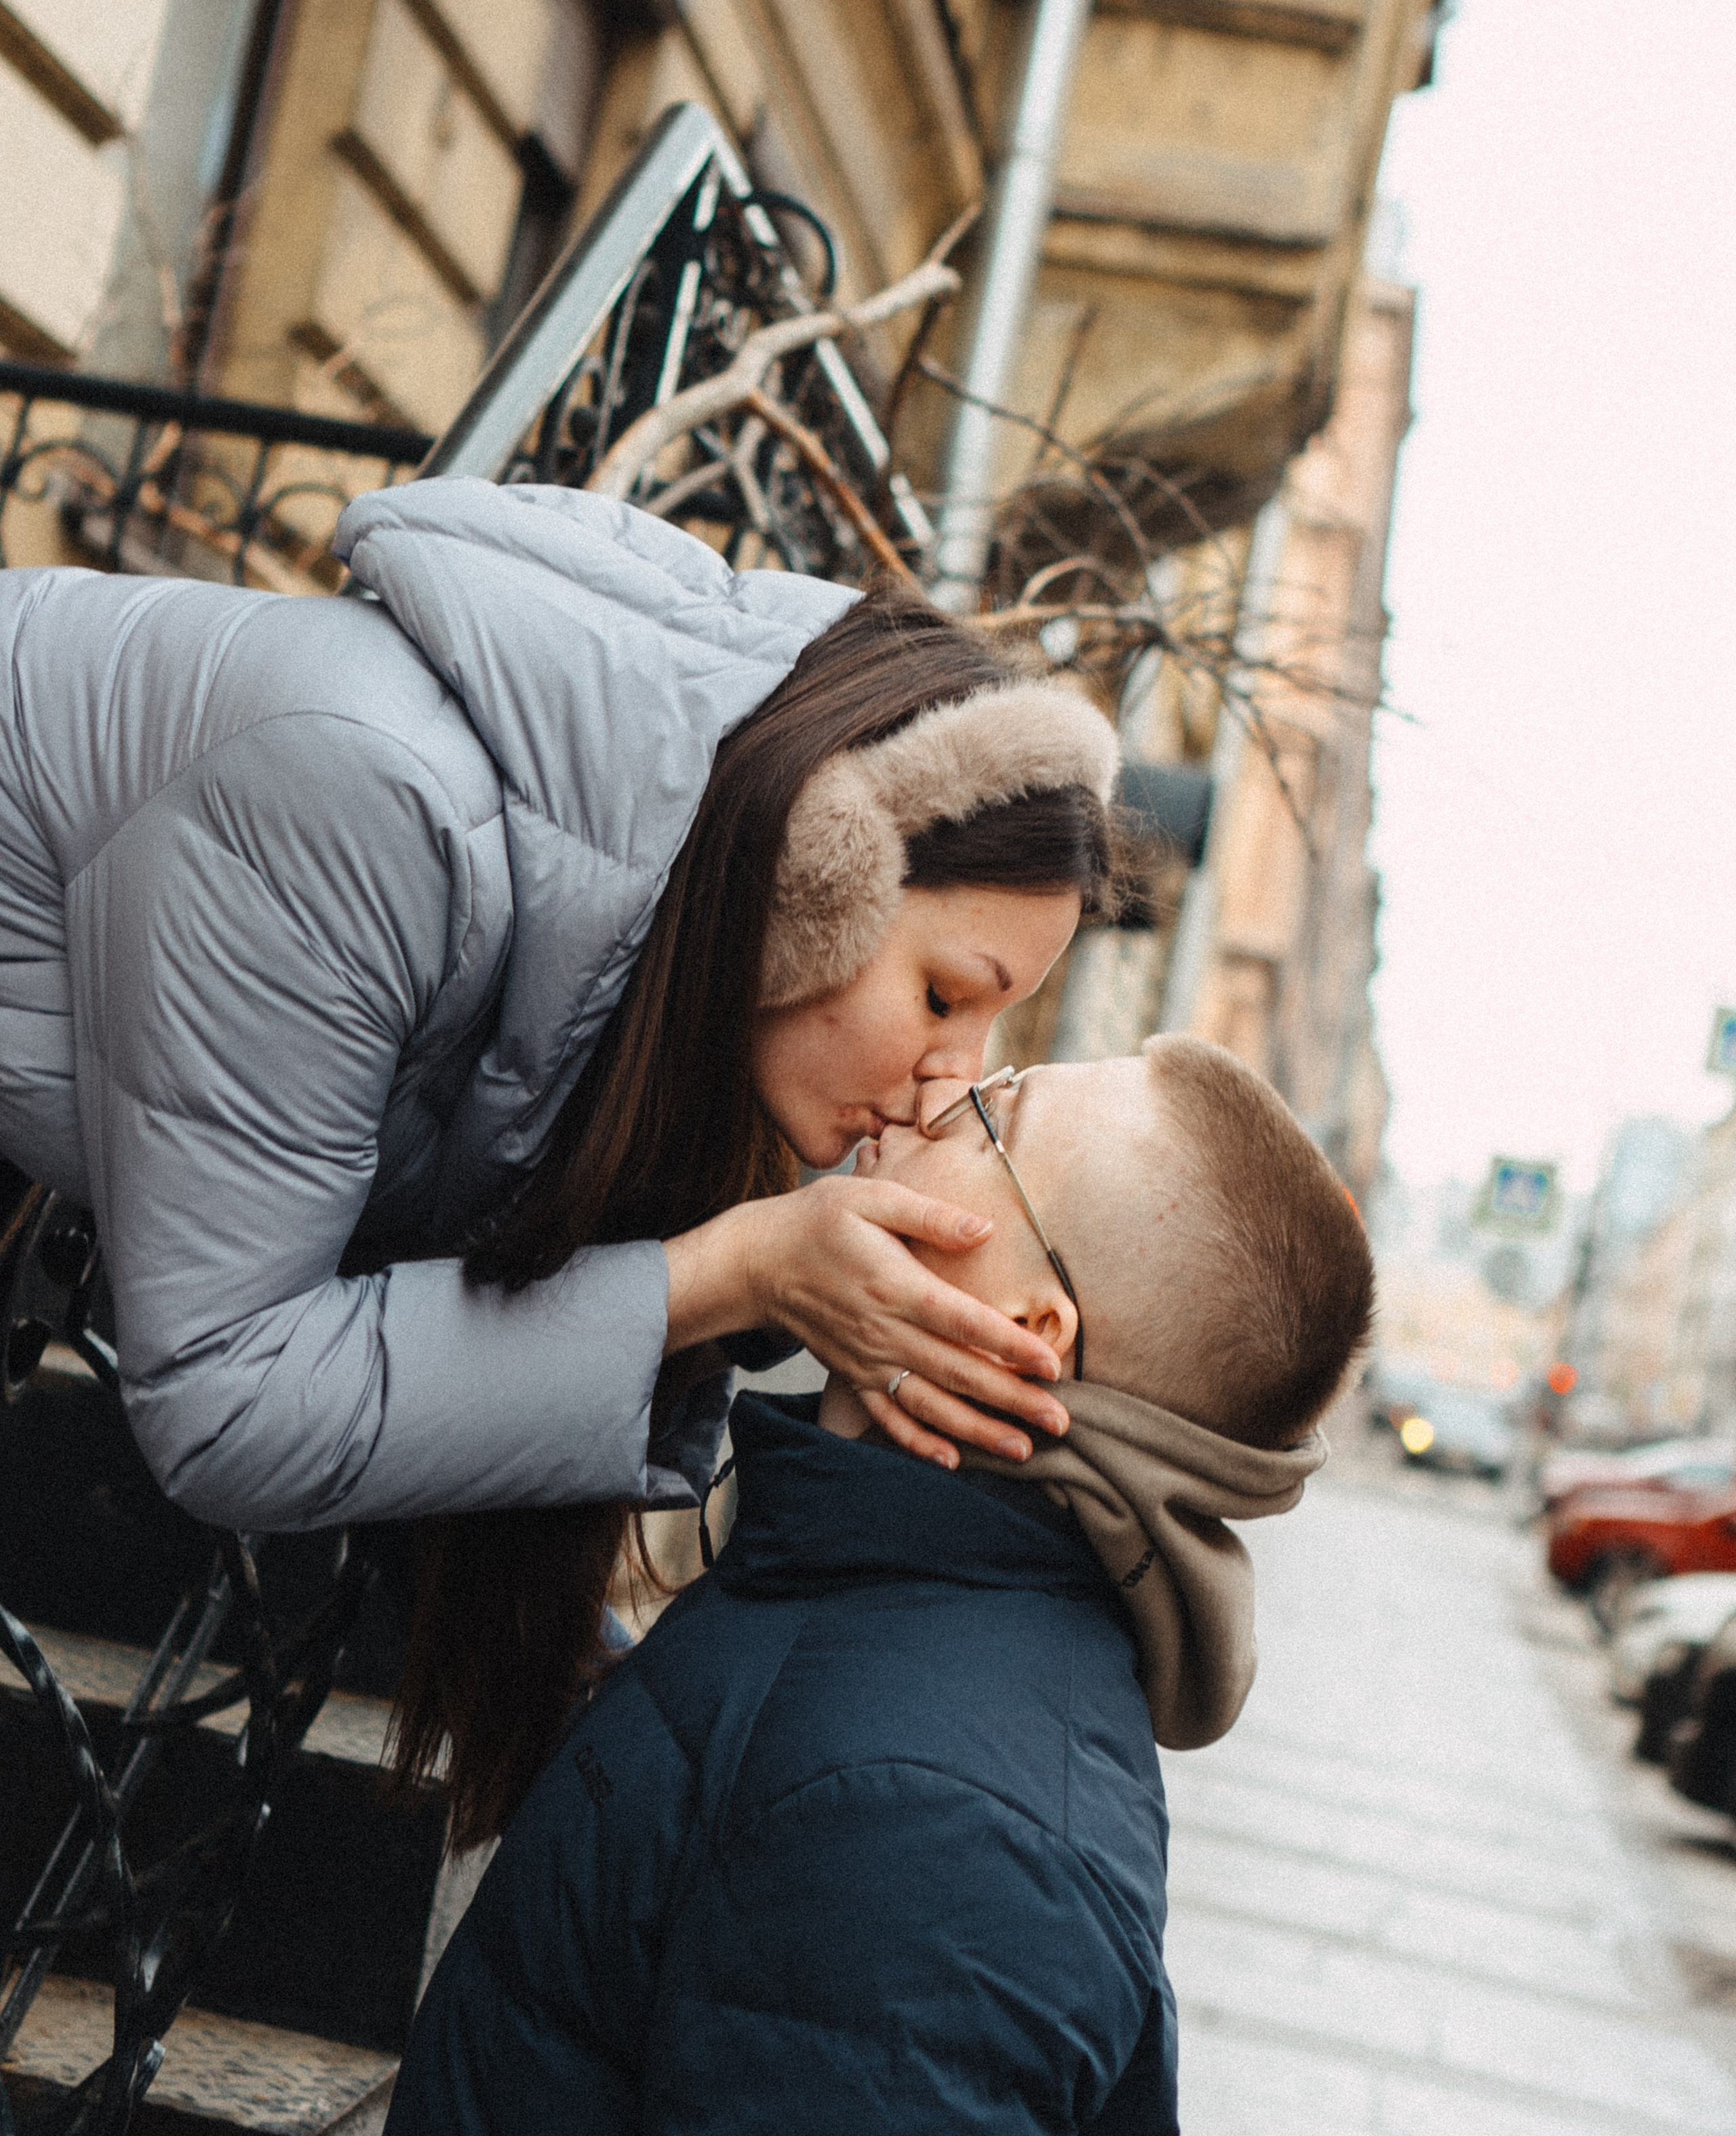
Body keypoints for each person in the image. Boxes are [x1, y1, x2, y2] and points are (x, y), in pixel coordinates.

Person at [0, 479, 1122, 1802]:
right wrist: (730, 1274)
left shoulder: (617, 933)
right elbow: (227, 1401)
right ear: (813, 879)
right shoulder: (367, 800)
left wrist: (780, 1285)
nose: (953, 1081)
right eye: (944, 998)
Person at [389, 1035, 1375, 2133]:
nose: (936, 1089)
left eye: (996, 1112)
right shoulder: (871, 1608)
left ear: (1024, 1330)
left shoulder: (939, 1829)